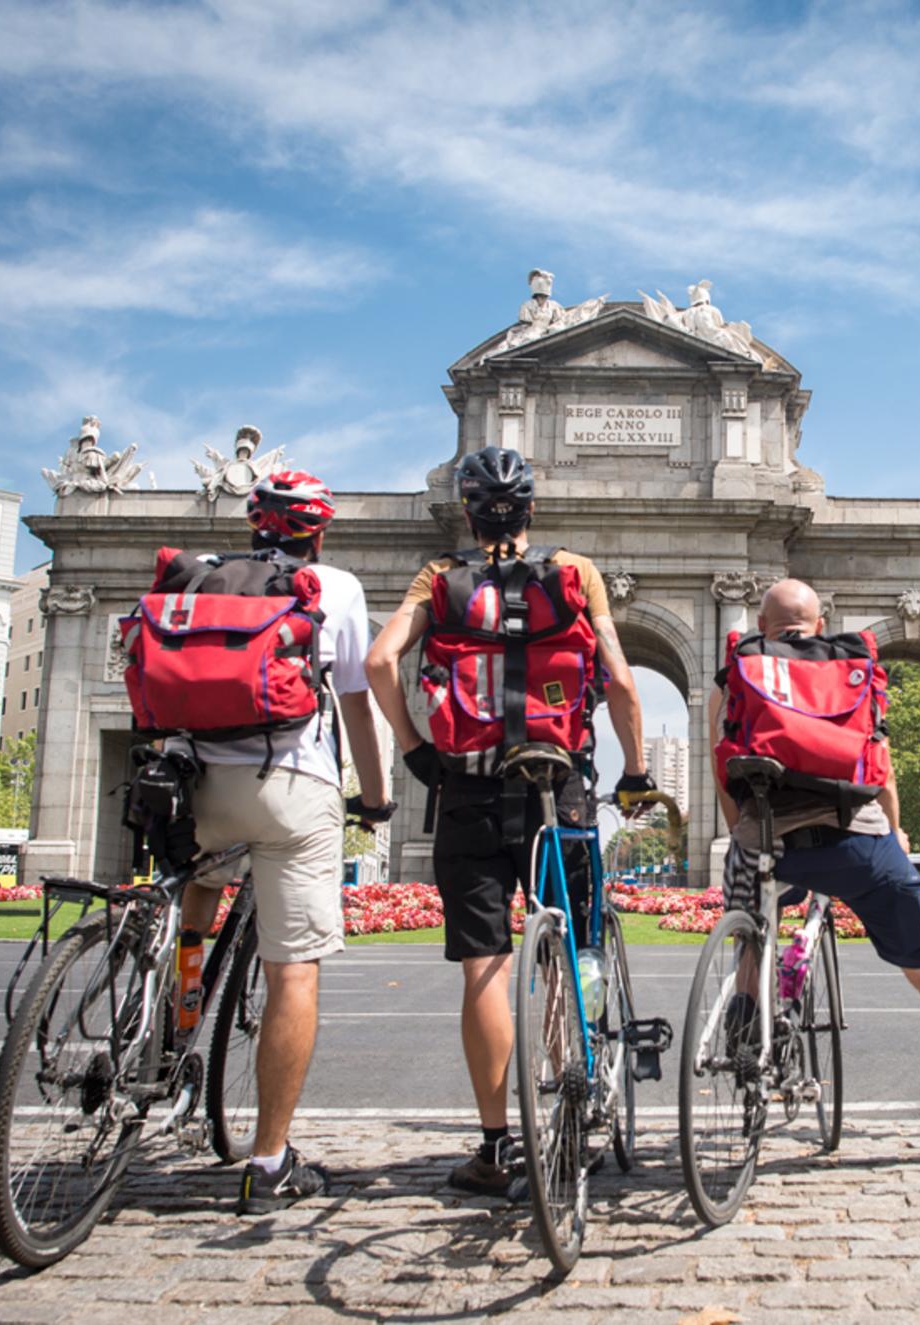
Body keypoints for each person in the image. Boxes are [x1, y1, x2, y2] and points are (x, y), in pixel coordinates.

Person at [365, 445, 654, 1195]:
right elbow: (619, 678)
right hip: (558, 788)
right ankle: (576, 1089)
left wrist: (415, 751)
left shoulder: (439, 577)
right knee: (573, 947)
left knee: (486, 967)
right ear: (531, 510)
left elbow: (377, 663)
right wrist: (637, 769)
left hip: (467, 790)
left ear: (467, 510)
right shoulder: (575, 571)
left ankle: (495, 1145)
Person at [710, 578, 920, 1163]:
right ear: (819, 618)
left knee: (752, 930)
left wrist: (745, 832)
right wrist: (898, 833)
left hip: (765, 843)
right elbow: (879, 768)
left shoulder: (740, 667)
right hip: (856, 839)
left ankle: (745, 1008)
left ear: (761, 620)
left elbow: (723, 762)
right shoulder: (851, 663)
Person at [175, 470, 391, 1213]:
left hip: (195, 783)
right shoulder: (335, 586)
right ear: (319, 532)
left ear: (252, 525)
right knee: (292, 970)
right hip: (292, 785)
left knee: (202, 872)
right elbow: (359, 705)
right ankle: (268, 1162)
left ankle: (177, 1003)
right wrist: (378, 793)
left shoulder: (202, 576)